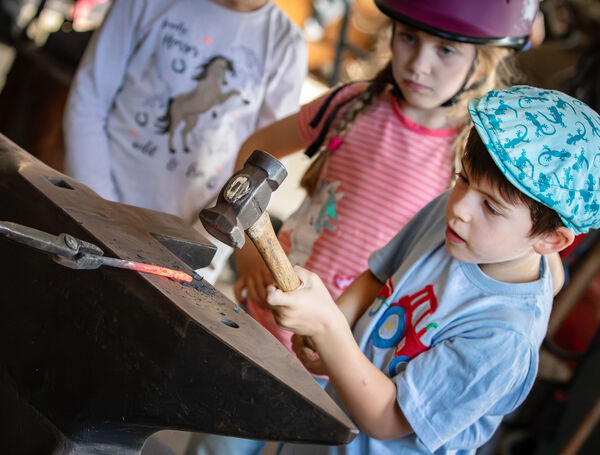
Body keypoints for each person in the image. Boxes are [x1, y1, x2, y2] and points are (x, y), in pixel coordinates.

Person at [266, 85, 600, 454]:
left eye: (490, 207)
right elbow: (381, 276)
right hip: (328, 429)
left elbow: (387, 419)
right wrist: (332, 329)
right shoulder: (454, 223)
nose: (460, 207)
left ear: (550, 241)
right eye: (464, 179)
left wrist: (329, 329)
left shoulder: (504, 337)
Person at [232, 0, 555, 354]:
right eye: (408, 38)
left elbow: (544, 271)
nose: (419, 65)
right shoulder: (351, 103)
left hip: (349, 356)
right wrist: (248, 256)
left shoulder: (475, 156)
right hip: (265, 316)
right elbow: (258, 149)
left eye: (446, 50)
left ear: (484, 62)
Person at [62, 0, 307, 283]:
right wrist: (97, 207)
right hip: (93, 213)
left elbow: (262, 169)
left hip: (183, 251)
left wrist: (201, 250)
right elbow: (89, 98)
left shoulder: (286, 45)